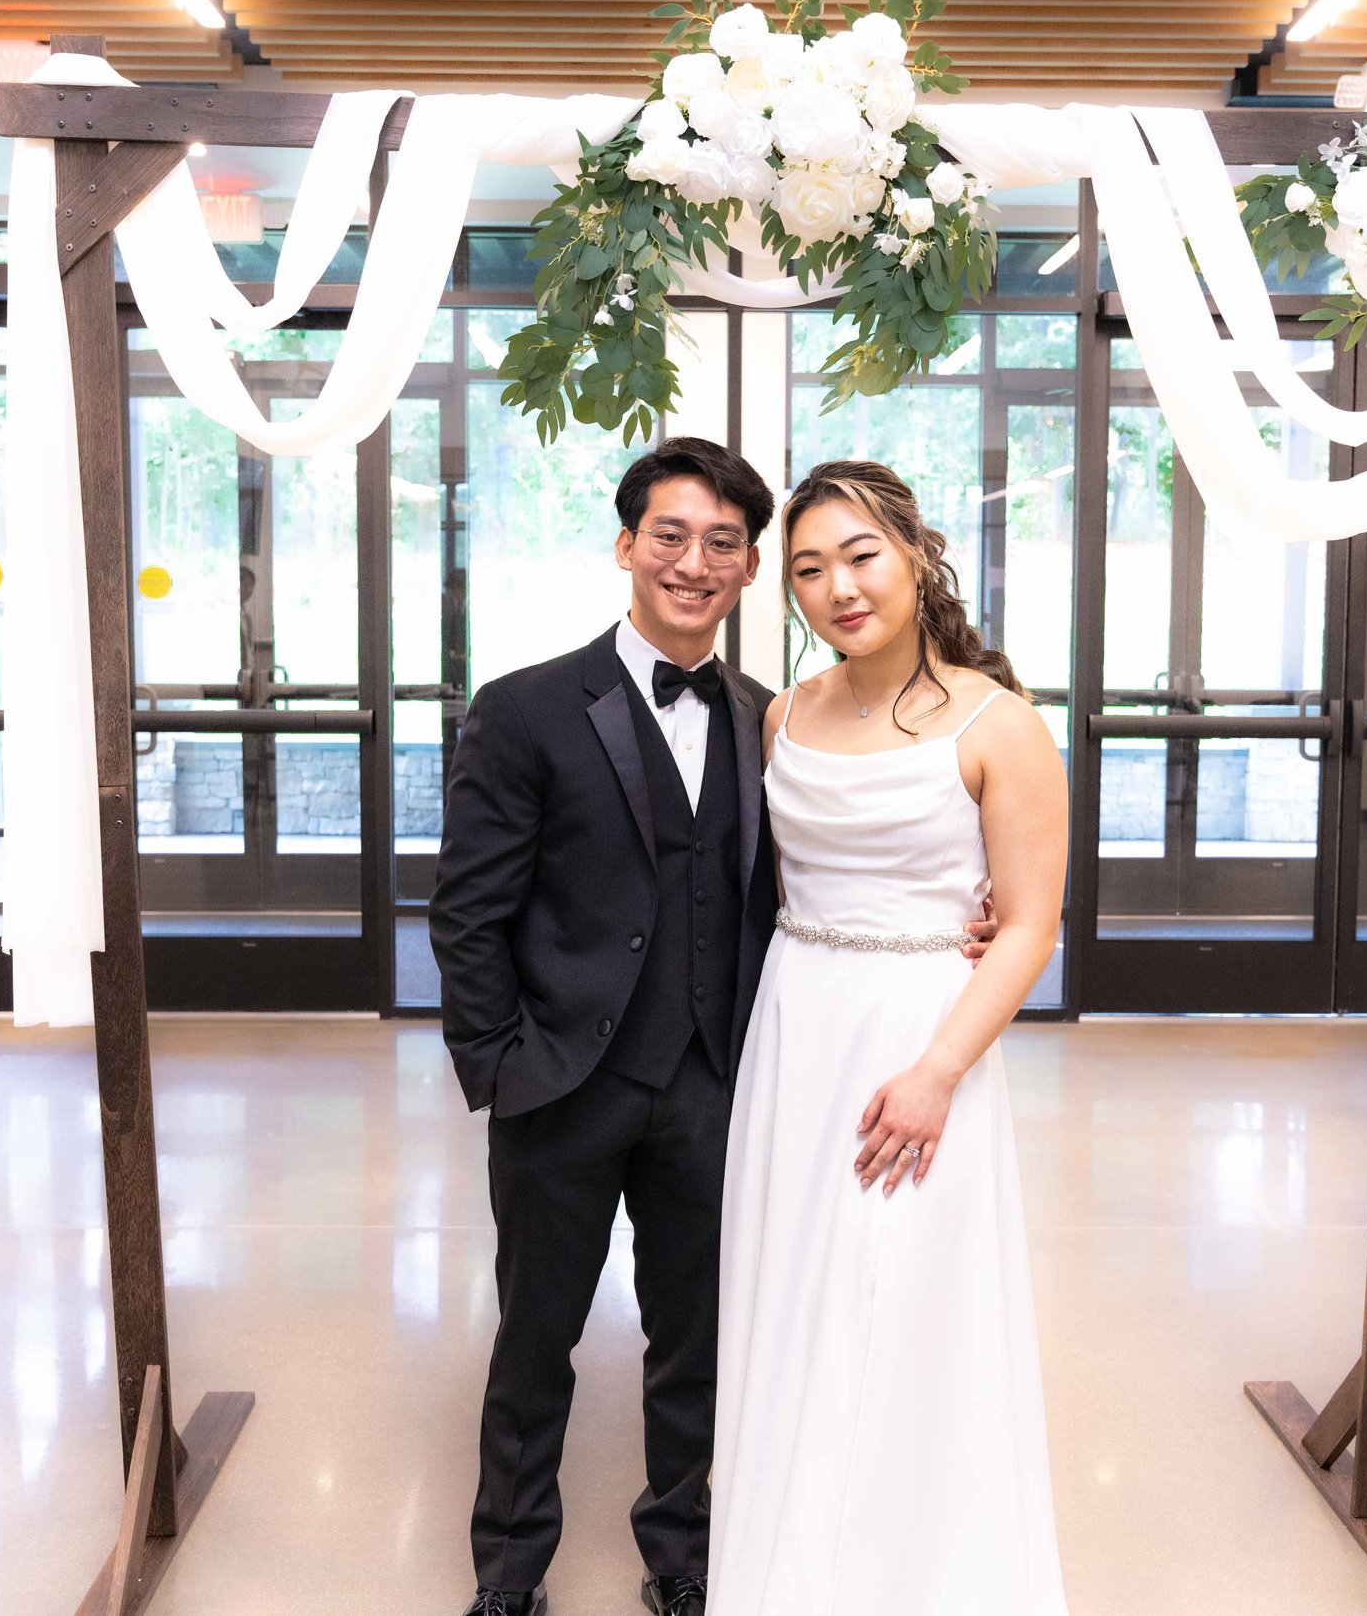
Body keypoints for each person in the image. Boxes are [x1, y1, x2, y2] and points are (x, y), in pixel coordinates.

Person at [707, 459, 1072, 1616]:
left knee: (909, 1301)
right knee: (793, 1299)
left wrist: (935, 1071)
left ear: (916, 554)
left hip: (921, 1037)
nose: (837, 588)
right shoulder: (782, 713)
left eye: (860, 556)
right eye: (808, 569)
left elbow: (1026, 926)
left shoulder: (995, 721)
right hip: (796, 1026)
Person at [428, 437, 781, 1616]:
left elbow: (796, 891)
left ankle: (680, 1556)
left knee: (694, 1339)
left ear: (746, 567)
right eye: (671, 535)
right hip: (559, 1083)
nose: (694, 562)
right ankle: (510, 1573)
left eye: (722, 543)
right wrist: (497, 1064)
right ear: (625, 544)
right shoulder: (526, 707)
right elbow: (468, 909)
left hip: (707, 1084)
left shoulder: (765, 717)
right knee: (536, 1341)